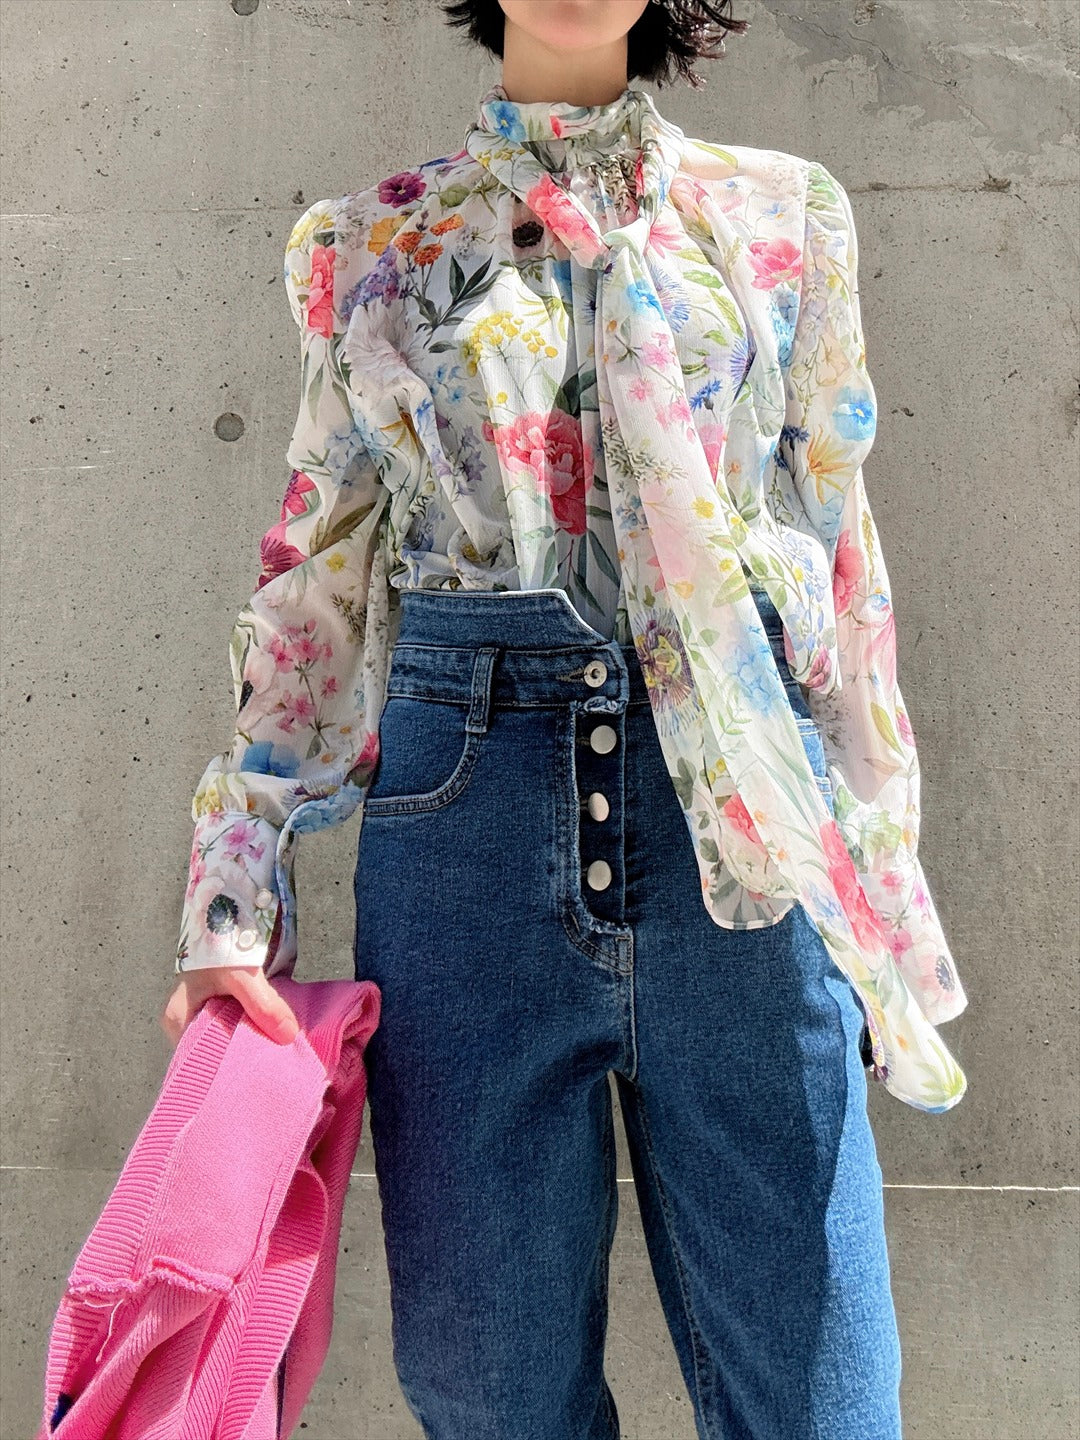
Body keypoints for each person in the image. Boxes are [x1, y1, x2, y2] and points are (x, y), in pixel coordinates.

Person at [161, 1, 970, 1434]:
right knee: (492, 1396)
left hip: (744, 840)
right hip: (464, 828)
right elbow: (314, 584)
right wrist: (236, 897)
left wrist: (874, 887)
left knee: (825, 1402)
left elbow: (844, 572)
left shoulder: (783, 215)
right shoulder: (372, 242)